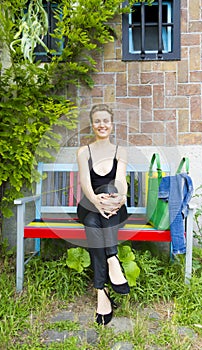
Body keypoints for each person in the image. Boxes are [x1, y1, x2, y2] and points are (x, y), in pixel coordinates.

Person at [77, 104, 130, 326]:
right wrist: (98, 204)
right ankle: (112, 258)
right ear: (92, 124)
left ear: (111, 124)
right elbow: (85, 184)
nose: (102, 125)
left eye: (105, 121)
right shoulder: (84, 152)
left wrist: (119, 198)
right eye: (97, 121)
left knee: (108, 193)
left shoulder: (120, 151)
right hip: (90, 204)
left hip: (114, 206)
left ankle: (101, 290)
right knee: (92, 216)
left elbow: (120, 181)